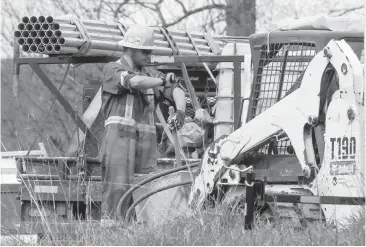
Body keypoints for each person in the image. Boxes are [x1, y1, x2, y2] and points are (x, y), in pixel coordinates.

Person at [98, 24, 186, 222]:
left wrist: (180, 111)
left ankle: (141, 236)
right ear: (130, 49)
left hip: (145, 148)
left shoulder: (150, 74)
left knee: (146, 192)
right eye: (145, 51)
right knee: (117, 191)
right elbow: (134, 82)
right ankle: (113, 236)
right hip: (118, 144)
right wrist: (162, 82)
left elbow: (176, 89)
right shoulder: (112, 69)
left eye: (150, 52)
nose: (148, 56)